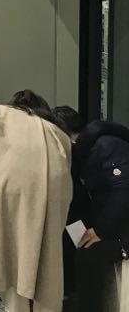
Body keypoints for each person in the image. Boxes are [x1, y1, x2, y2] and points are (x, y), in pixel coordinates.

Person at [0, 90, 73, 312]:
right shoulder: (56, 131)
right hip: (50, 197)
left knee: (9, 256)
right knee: (42, 264)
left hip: (9, 195)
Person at [62, 109, 129, 312]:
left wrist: (101, 230)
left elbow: (122, 189)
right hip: (109, 223)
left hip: (119, 228)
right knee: (80, 248)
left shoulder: (106, 146)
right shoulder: (84, 151)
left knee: (90, 256)